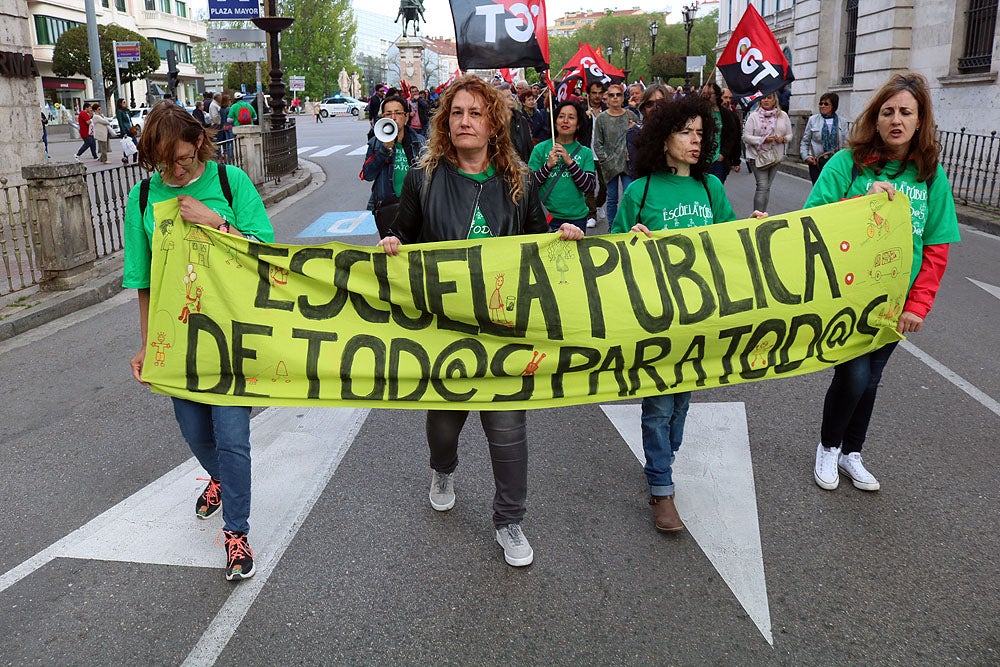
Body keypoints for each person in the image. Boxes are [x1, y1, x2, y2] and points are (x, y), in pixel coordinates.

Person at [377, 75, 584, 567]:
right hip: (445, 333)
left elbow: (539, 239)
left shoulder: (519, 180)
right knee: (445, 425)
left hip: (505, 331)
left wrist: (565, 236)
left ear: (493, 123)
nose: (464, 120)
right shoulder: (423, 178)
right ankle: (443, 469)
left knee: (508, 430)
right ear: (446, 122)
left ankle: (510, 520)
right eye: (456, 113)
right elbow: (402, 234)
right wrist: (391, 244)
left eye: (475, 112)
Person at [123, 102, 275, 581]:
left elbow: (267, 251)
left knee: (233, 439)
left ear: (198, 143)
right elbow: (144, 280)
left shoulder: (231, 184)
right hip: (179, 338)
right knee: (195, 433)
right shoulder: (143, 197)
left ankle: (236, 533)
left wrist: (213, 221)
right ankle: (220, 481)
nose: (176, 168)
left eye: (184, 157)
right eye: (165, 161)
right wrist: (148, 345)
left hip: (231, 334)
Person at [611, 95, 764, 532]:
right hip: (656, 319)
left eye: (700, 134)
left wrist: (757, 230)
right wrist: (629, 239)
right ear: (663, 139)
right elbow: (609, 256)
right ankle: (662, 488)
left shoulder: (710, 188)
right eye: (685, 132)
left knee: (681, 403)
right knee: (659, 406)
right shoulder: (639, 193)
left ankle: (665, 459)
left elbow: (730, 243)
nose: (695, 141)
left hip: (701, 321)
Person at [806, 72, 961, 492]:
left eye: (906, 112)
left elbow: (936, 248)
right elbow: (811, 220)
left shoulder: (930, 177)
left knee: (871, 379)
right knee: (854, 376)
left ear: (919, 120)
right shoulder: (846, 164)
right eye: (888, 111)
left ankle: (852, 453)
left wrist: (918, 304)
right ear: (875, 120)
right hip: (849, 294)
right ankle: (828, 447)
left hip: (896, 303)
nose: (896, 119)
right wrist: (860, 202)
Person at [360, 94, 426, 237]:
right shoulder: (376, 143)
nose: (393, 117)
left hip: (416, 207)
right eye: (388, 114)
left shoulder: (420, 142)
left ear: (406, 117)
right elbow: (368, 174)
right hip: (388, 208)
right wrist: (384, 151)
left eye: (398, 113)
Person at [527, 99, 597, 232]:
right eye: (561, 116)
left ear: (578, 124)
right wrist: (547, 166)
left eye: (571, 117)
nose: (565, 121)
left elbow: (588, 186)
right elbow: (530, 184)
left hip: (577, 218)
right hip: (547, 217)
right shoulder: (540, 149)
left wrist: (569, 161)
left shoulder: (585, 153)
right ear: (555, 121)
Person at [593, 83, 639, 229]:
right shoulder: (601, 119)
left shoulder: (630, 115)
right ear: (606, 98)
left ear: (622, 97)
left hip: (627, 164)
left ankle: (627, 224)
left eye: (618, 94)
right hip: (610, 166)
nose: (614, 98)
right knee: (612, 198)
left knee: (628, 196)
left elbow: (640, 136)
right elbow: (597, 144)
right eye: (611, 95)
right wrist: (606, 160)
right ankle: (612, 227)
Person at [742, 91, 792, 212]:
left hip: (775, 156)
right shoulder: (754, 116)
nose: (766, 100)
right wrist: (762, 140)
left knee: (767, 187)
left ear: (774, 100)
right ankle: (757, 216)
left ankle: (763, 213)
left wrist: (784, 139)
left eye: (769, 98)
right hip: (757, 156)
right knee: (762, 186)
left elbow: (790, 134)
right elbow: (746, 137)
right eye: (763, 98)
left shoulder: (783, 115)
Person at [800, 92, 847, 184]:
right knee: (818, 191)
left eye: (826, 104)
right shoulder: (813, 120)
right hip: (816, 163)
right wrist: (806, 157)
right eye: (821, 103)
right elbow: (805, 141)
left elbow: (846, 143)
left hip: (835, 163)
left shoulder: (842, 122)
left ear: (833, 106)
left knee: (833, 191)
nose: (822, 106)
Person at [701, 81, 742, 183]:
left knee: (716, 190)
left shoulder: (727, 115)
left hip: (718, 161)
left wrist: (724, 155)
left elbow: (733, 137)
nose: (706, 97)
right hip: (701, 160)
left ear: (717, 96)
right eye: (704, 94)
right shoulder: (699, 113)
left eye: (709, 94)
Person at [626, 83, 669, 178]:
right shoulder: (635, 133)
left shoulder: (678, 131)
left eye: (661, 102)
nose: (656, 107)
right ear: (644, 109)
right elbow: (637, 170)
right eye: (650, 104)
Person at [583, 81, 607, 228]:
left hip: (603, 154)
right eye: (594, 93)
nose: (597, 96)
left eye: (599, 93)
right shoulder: (583, 110)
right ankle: (591, 215)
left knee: (605, 185)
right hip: (587, 153)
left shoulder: (607, 110)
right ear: (589, 94)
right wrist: (585, 117)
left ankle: (598, 205)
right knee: (589, 186)